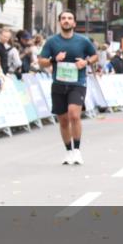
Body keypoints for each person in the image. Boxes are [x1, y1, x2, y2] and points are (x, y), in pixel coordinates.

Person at [38, 10, 98, 165]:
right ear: (60, 22)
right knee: (63, 120)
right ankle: (68, 151)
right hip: (58, 84)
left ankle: (77, 150)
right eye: (63, 18)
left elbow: (94, 55)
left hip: (77, 83)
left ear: (74, 23)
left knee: (74, 115)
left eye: (69, 18)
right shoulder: (52, 42)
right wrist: (53, 60)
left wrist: (86, 63)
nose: (66, 20)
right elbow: (41, 61)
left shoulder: (83, 41)